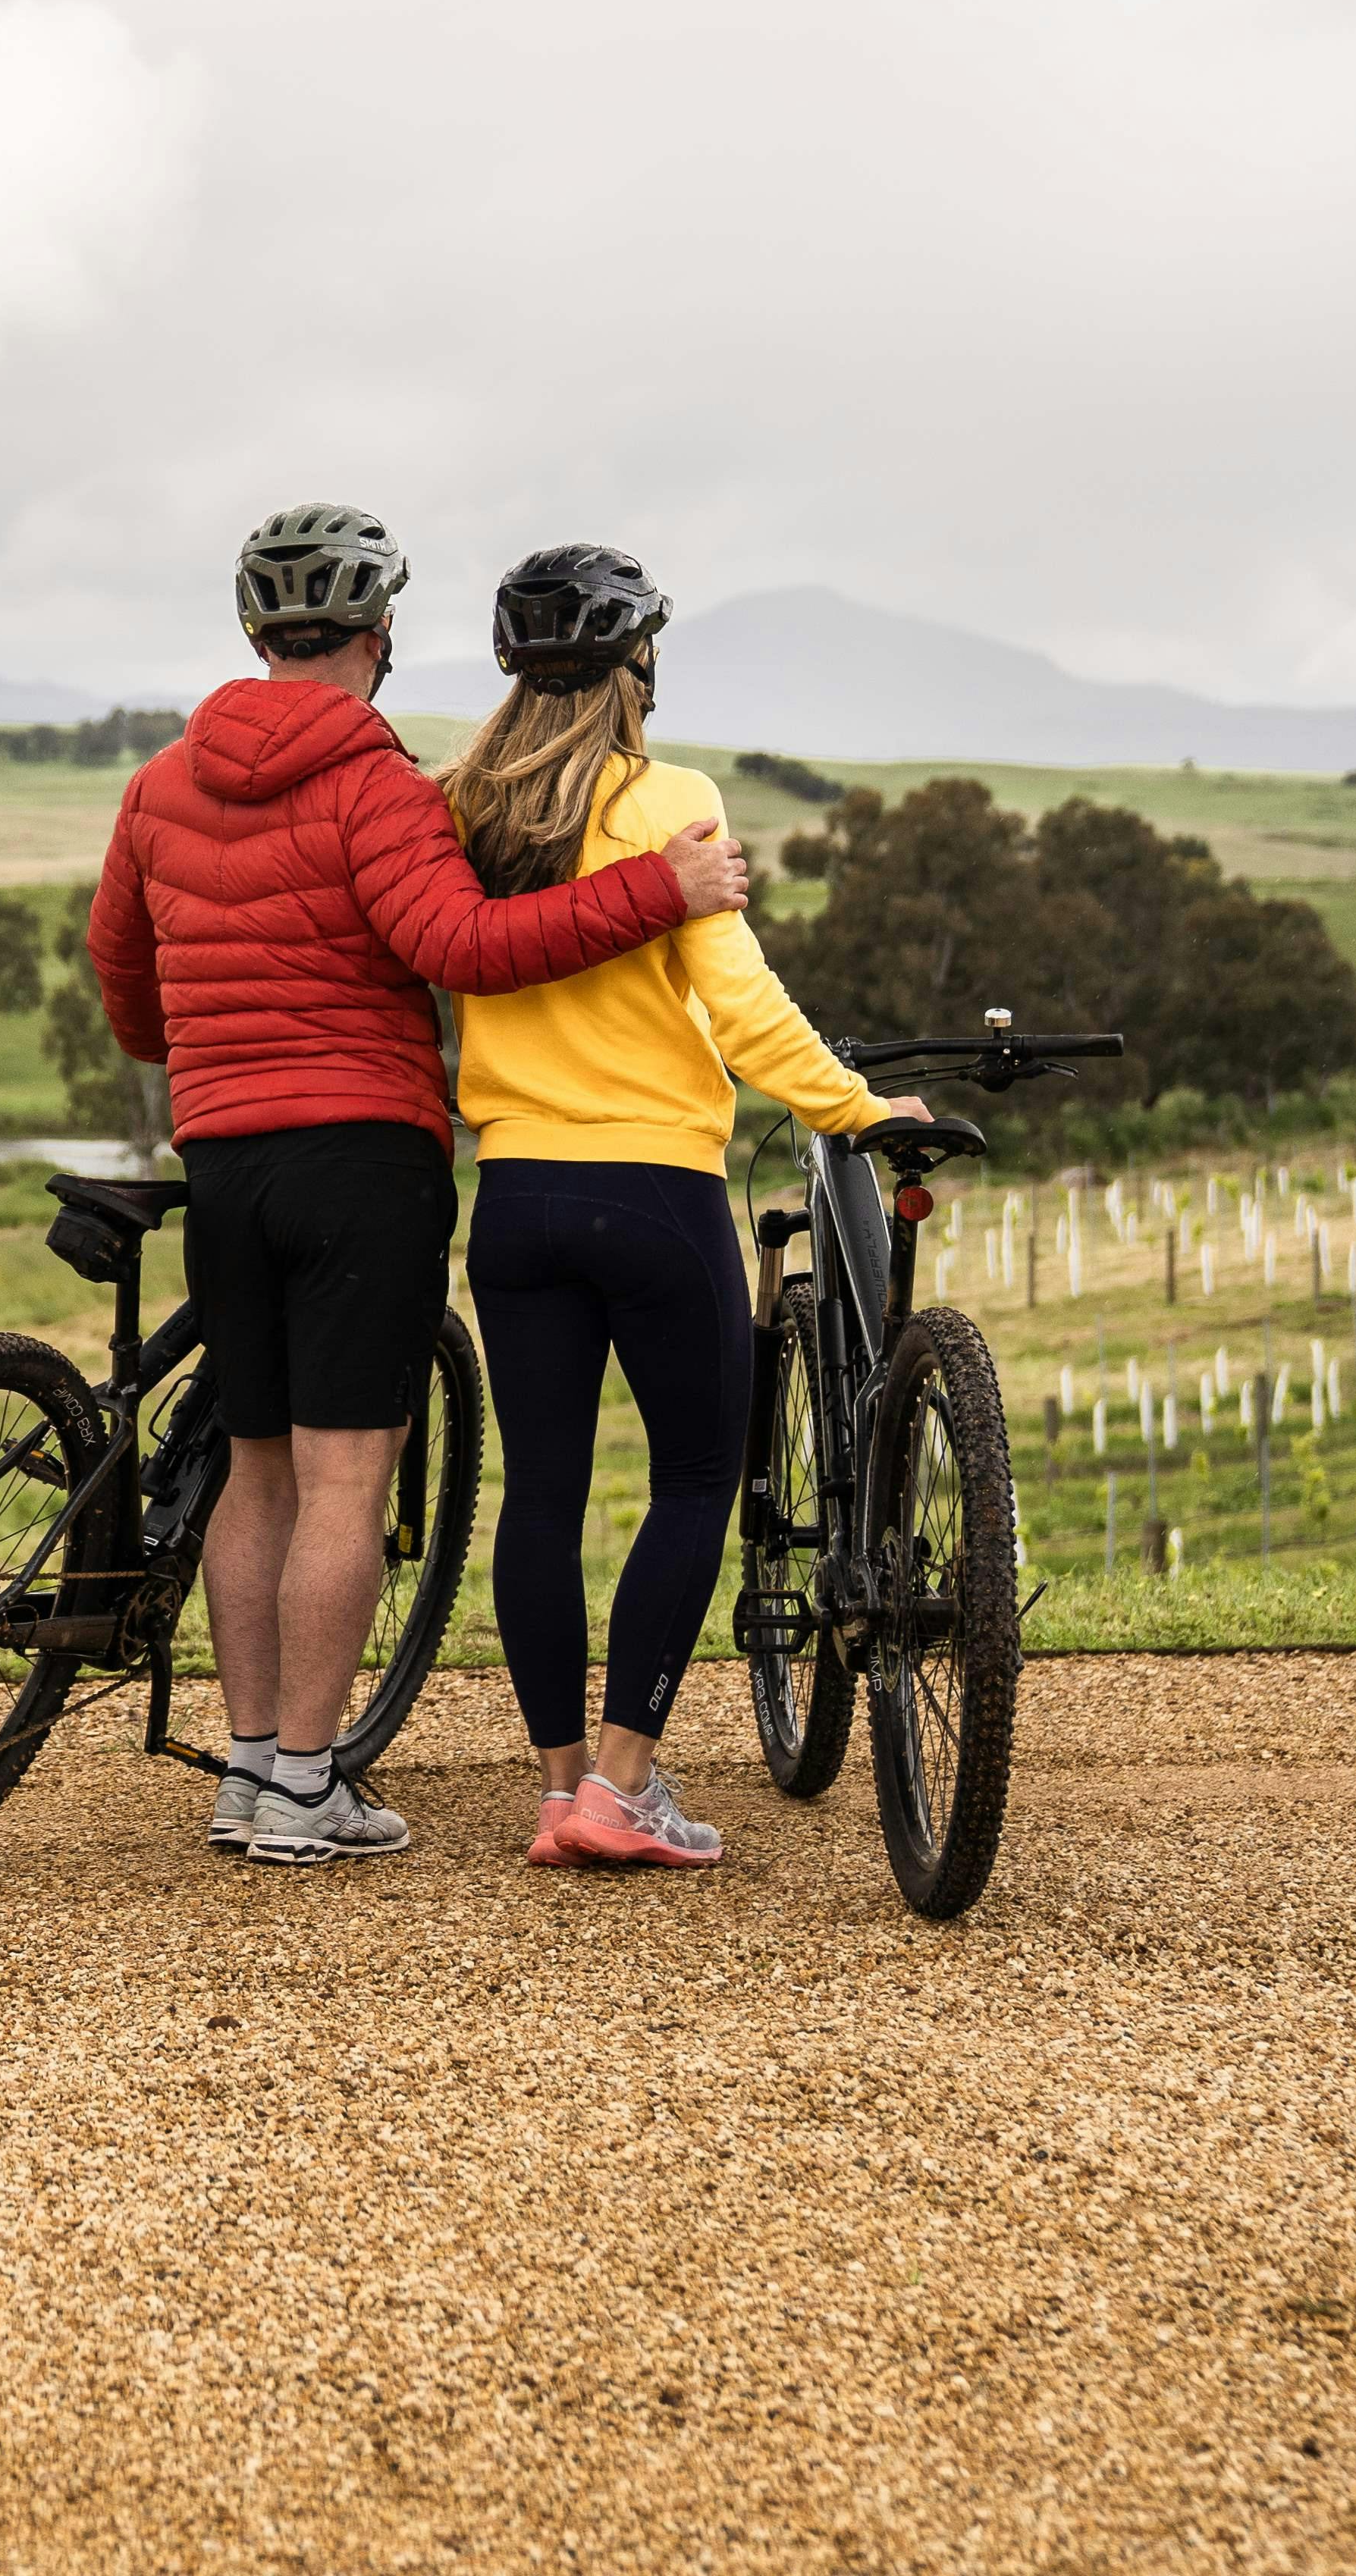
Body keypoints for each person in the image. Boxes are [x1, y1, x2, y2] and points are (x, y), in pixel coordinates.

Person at [86, 505, 752, 1869]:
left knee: (251, 1468)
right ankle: (307, 1786)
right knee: (347, 1476)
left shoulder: (158, 787)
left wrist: (202, 1047)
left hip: (221, 1155)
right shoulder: (376, 784)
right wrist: (659, 892)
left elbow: (126, 987)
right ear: (380, 636)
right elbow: (464, 946)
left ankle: (251, 1768)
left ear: (256, 636)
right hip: (361, 1163)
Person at [438, 543, 916, 1872]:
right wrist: (853, 1109)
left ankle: (558, 1786)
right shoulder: (672, 802)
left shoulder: (460, 811)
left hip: (516, 1196)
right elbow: (744, 1008)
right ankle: (626, 1787)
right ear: (637, 667)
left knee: (541, 1489)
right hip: (654, 1192)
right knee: (700, 1474)